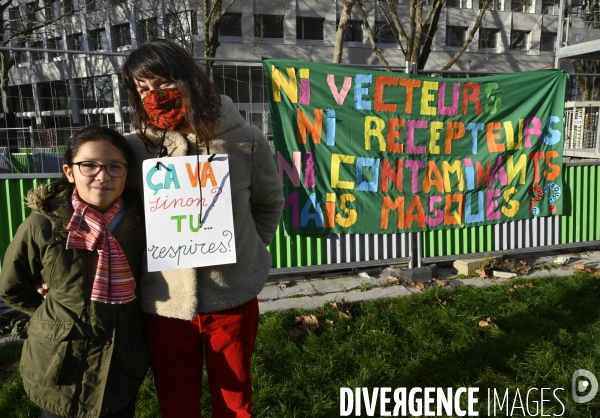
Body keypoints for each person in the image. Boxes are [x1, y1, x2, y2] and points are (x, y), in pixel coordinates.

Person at [121, 39, 284, 417]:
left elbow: (269, 203)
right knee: (177, 404)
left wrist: (247, 248)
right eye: (142, 88)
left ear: (186, 77)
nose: (153, 95)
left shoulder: (245, 141)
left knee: (235, 402)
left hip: (232, 297)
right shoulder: (135, 149)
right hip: (165, 304)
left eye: (160, 82)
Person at [0, 126, 150, 418]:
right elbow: (13, 287)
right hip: (59, 367)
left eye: (114, 167)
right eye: (89, 165)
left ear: (127, 173)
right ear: (70, 171)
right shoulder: (43, 226)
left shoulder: (143, 223)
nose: (102, 176)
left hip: (120, 363)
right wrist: (53, 315)